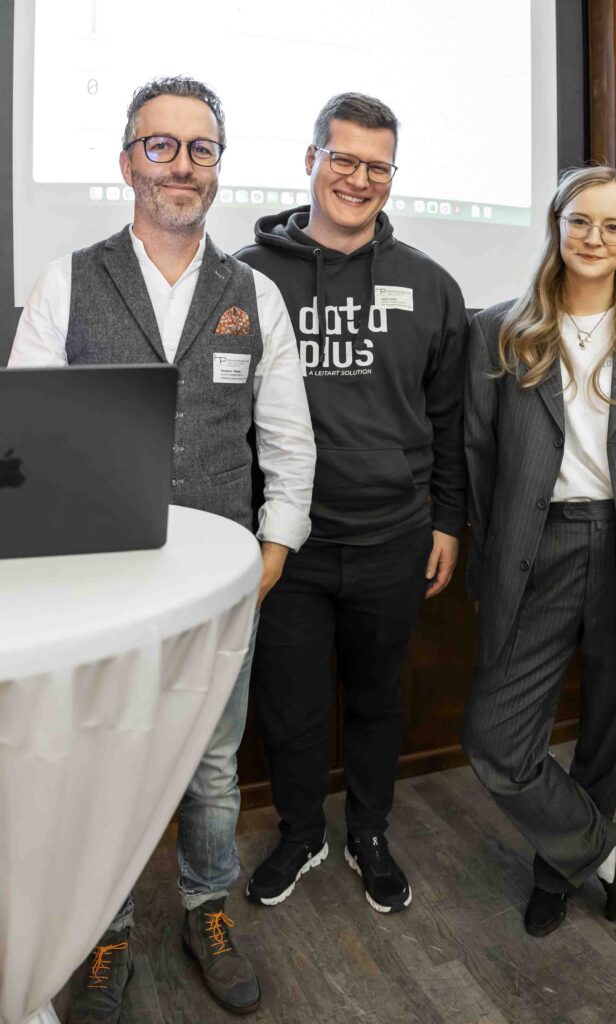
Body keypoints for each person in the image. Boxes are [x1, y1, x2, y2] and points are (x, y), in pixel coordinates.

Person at [9, 76, 316, 1020]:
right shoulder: (69, 279)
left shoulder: (254, 294)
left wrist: (275, 548)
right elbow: (22, 436)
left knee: (213, 764)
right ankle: (101, 927)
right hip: (98, 583)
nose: (182, 165)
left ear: (217, 167)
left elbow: (288, 437)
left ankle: (204, 905)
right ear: (127, 161)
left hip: (222, 584)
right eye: (161, 145)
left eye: (201, 148)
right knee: (97, 761)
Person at [235, 92, 468, 914]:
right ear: (310, 160)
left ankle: (369, 833)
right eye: (343, 159)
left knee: (376, 700)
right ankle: (301, 834)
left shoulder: (430, 285)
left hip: (393, 538)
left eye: (378, 166)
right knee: (290, 709)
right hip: (283, 546)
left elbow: (448, 419)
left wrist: (446, 521)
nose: (358, 179)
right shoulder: (244, 275)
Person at [462, 165, 616, 937]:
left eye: (612, 226)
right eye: (579, 220)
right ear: (556, 225)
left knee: (607, 734)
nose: (593, 237)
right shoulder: (499, 329)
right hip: (539, 548)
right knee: (494, 739)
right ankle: (597, 848)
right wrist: (487, 568)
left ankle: (556, 872)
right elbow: (477, 459)